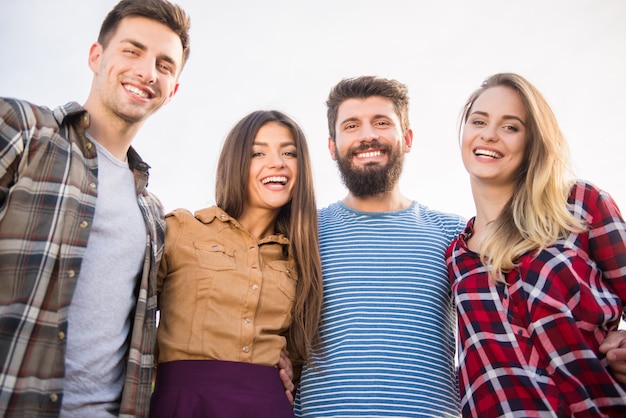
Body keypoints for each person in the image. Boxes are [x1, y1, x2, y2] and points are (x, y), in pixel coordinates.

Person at [0, 1, 191, 417]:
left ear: (172, 89)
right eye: (132, 50)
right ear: (96, 56)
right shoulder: (22, 130)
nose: (147, 71)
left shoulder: (152, 214)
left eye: (164, 64)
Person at [447, 72, 626, 417]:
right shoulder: (456, 256)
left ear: (533, 141)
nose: (489, 134)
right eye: (478, 121)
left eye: (510, 127)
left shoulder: (579, 206)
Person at [294, 76, 467, 417]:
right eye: (352, 125)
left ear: (407, 138)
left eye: (382, 122)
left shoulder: (454, 233)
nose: (367, 135)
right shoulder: (303, 231)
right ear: (332, 146)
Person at [150, 110, 323, 418]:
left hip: (268, 405)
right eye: (259, 152)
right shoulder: (181, 229)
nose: (277, 162)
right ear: (236, 161)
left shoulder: (301, 260)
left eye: (289, 153)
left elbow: (297, 356)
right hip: (183, 404)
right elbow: (132, 317)